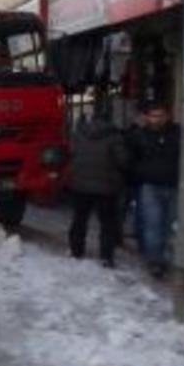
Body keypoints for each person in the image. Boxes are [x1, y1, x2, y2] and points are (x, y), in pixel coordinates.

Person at [68, 113, 129, 268]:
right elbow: (123, 160)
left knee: (79, 219)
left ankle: (76, 250)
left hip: (80, 185)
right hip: (107, 187)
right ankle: (106, 257)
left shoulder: (78, 134)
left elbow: (71, 153)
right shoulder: (115, 137)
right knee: (107, 222)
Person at [127, 100, 181, 278]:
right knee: (153, 224)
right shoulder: (139, 135)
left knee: (168, 225)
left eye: (160, 115)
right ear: (148, 117)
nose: (156, 119)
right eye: (153, 116)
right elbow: (130, 157)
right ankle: (155, 261)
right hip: (150, 185)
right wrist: (139, 174)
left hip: (174, 185)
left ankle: (163, 257)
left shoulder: (179, 133)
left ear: (167, 116)